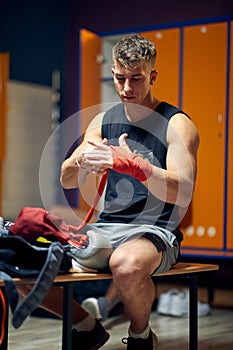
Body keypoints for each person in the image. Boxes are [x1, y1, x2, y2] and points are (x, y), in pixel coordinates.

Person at [59, 33, 200, 350]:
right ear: (112, 74)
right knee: (32, 262)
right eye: (120, 78)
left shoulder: (176, 124)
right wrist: (80, 160)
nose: (126, 88)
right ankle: (85, 325)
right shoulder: (102, 121)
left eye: (136, 79)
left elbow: (184, 191)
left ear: (152, 76)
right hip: (107, 227)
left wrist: (140, 167)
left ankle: (140, 336)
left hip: (155, 230)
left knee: (125, 264)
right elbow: (67, 180)